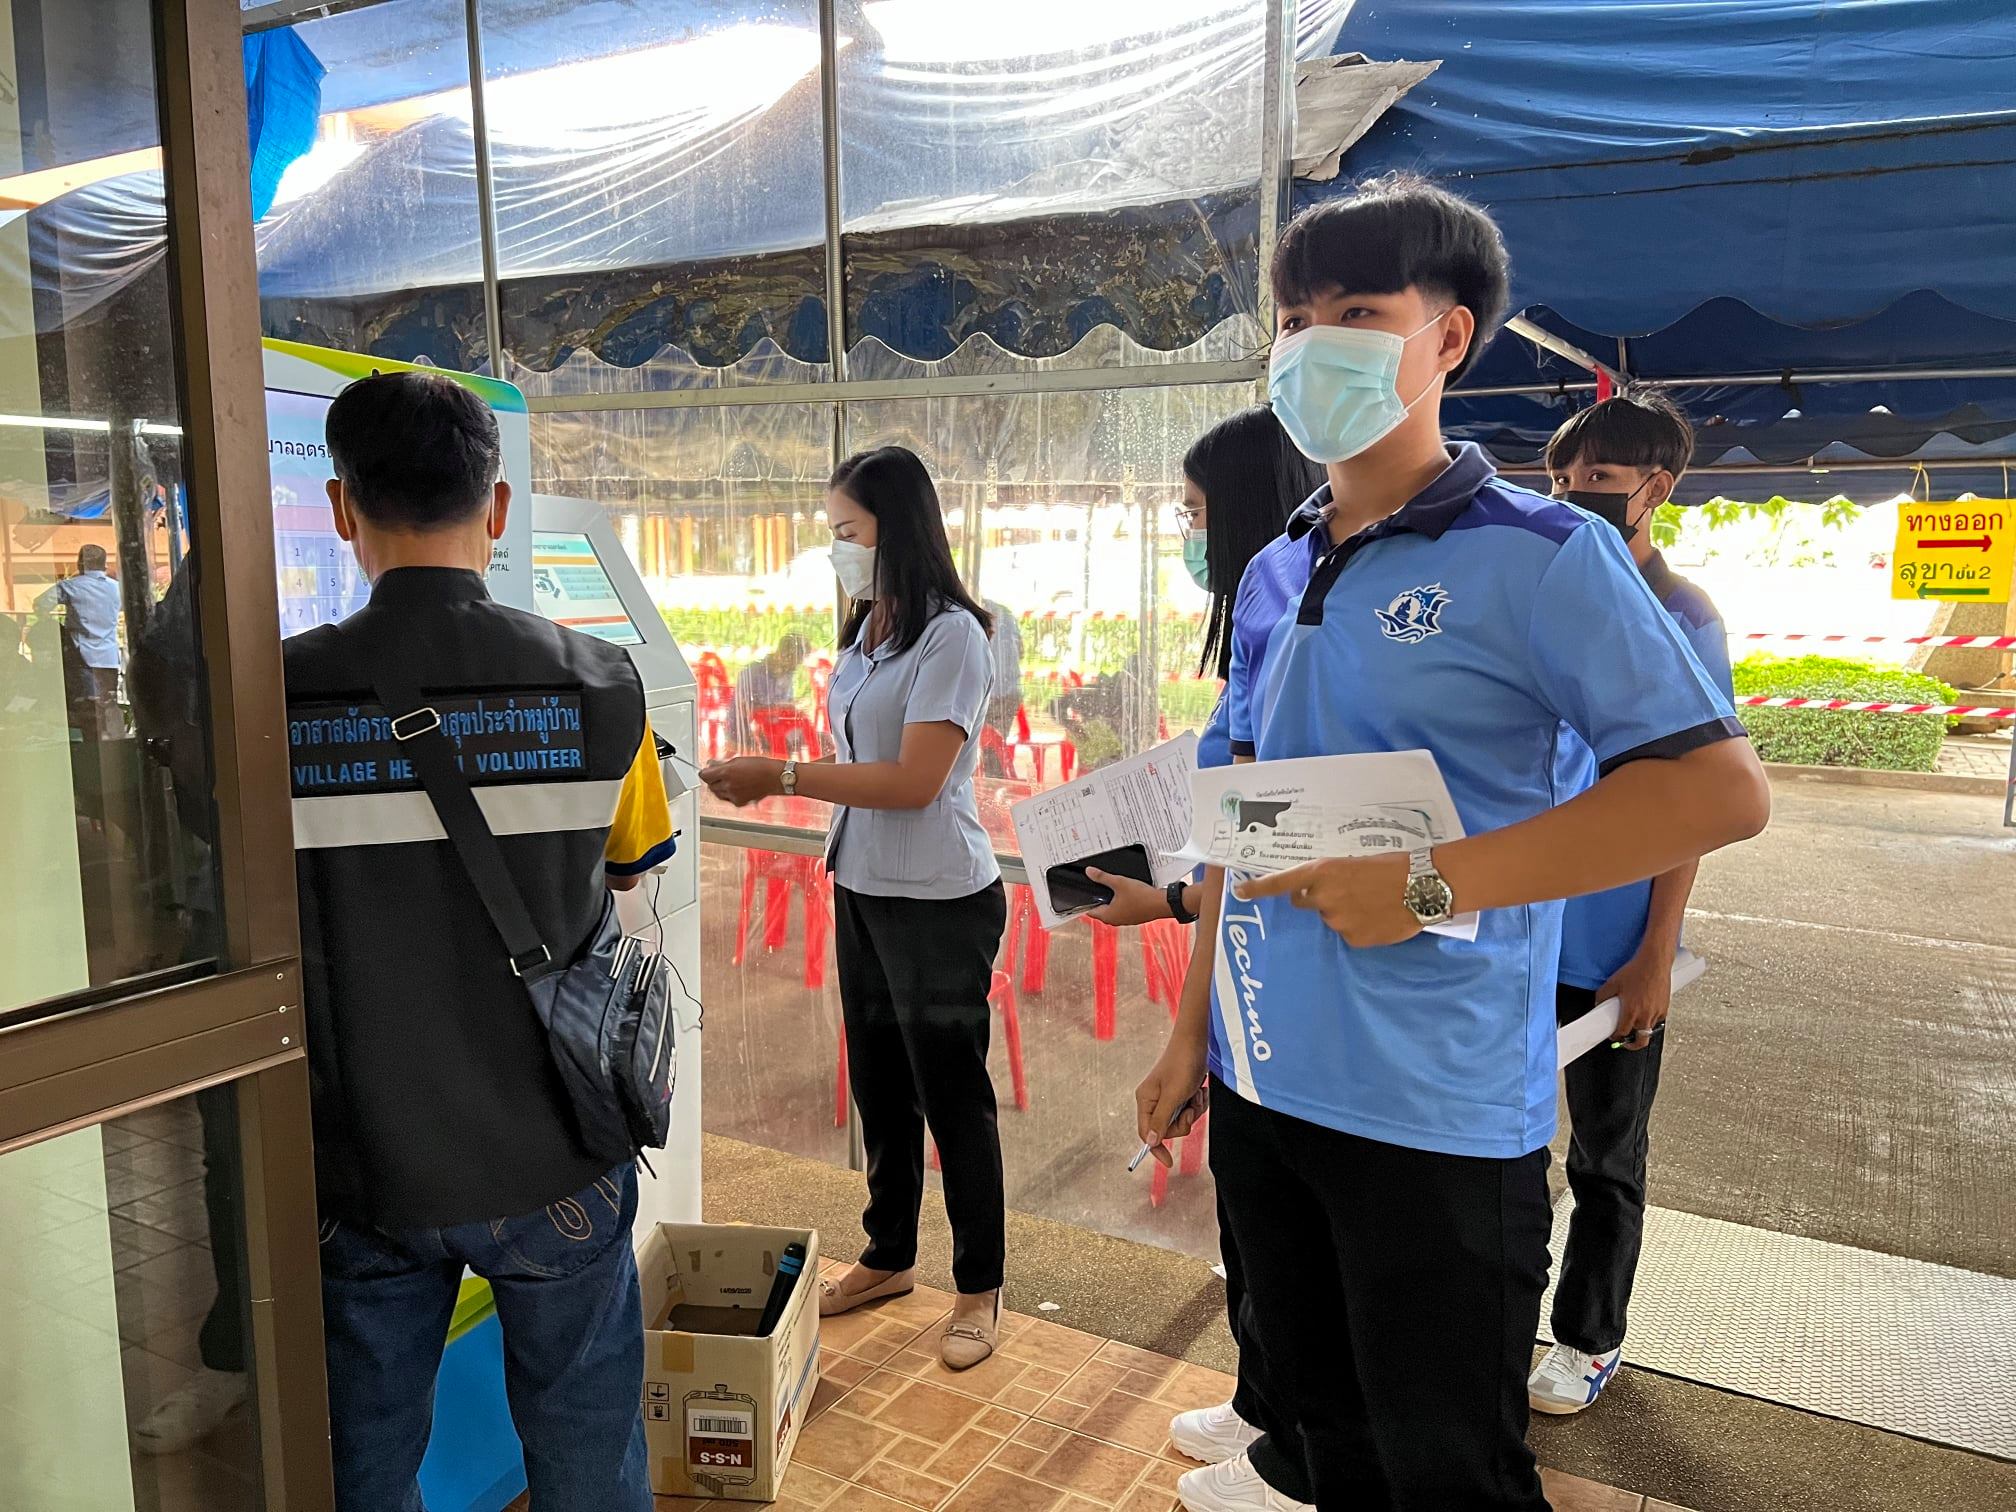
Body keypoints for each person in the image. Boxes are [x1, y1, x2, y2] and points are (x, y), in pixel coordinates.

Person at [1134, 175, 1770, 1512]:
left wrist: (1429, 881)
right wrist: (1192, 1032)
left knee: (1447, 1473)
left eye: (1357, 310)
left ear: (1451, 337)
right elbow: (1242, 815)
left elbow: (1714, 793)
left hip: (1430, 1113)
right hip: (1265, 1085)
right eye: (1294, 318)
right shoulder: (1272, 566)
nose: (1312, 345)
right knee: (1319, 1431)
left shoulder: (1543, 556)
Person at [285, 372, 674, 1512]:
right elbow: (630, 875)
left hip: (368, 1162)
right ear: (495, 509)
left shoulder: (278, 700)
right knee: (590, 1452)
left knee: (365, 1462)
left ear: (342, 507)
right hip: (559, 1147)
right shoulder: (602, 684)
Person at [701, 446, 1009, 1370]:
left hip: (939, 901)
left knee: (952, 1095)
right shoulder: (865, 631)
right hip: (864, 887)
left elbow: (917, 779)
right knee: (879, 1085)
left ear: (896, 530)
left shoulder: (954, 635)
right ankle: (889, 1255)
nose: (837, 550)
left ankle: (980, 1286)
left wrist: (783, 774)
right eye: (833, 534)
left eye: (848, 533)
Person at [1081, 405, 1322, 1509]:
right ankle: (1267, 1401)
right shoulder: (1263, 623)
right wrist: (1180, 906)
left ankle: (1301, 1452)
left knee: (1295, 1225)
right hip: (1245, 974)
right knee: (1252, 1207)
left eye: (1193, 513)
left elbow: (1269, 828)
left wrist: (1180, 897)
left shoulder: (1306, 625)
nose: (1187, 533)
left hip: (1303, 987)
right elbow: (1241, 830)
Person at [1527, 390, 1733, 1417]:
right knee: (1510, 1143)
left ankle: (1588, 1337)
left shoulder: (1685, 618)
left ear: (1658, 489)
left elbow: (1695, 802)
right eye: (1560, 483)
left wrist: (1657, 948)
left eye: (1597, 484)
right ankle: (1503, 1306)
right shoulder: (1549, 598)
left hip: (1614, 949)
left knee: (1607, 1154)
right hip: (1523, 932)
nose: (1572, 499)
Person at [35, 543, 123, 737]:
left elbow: (40, 604)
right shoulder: (117, 588)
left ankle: (91, 750)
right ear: (104, 565)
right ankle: (112, 746)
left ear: (80, 563)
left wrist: (53, 624)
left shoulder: (71, 586)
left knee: (86, 710)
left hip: (81, 657)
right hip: (109, 658)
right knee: (107, 708)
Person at [734, 631, 810, 749]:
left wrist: (793, 706)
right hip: (749, 732)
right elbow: (744, 711)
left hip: (777, 728)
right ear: (782, 655)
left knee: (820, 739)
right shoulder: (751, 673)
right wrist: (778, 708)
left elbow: (787, 705)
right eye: (793, 662)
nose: (794, 668)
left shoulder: (787, 674)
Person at [980, 597, 1023, 775]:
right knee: (995, 747)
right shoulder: (1005, 612)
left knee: (988, 747)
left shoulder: (968, 613)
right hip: (1010, 693)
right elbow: (1021, 651)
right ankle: (995, 782)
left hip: (991, 695)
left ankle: (991, 787)